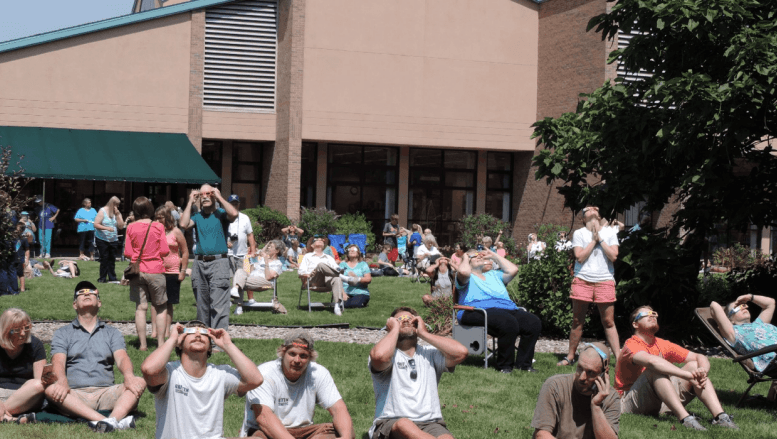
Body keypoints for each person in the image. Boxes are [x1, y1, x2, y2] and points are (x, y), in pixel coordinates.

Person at [615, 305, 737, 430]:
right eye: (646, 314)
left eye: (654, 313)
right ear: (635, 324)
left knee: (694, 366)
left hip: (661, 399)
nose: (652, 315)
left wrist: (702, 372)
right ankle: (686, 419)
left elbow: (699, 357)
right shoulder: (631, 345)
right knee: (654, 369)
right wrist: (687, 375)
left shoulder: (661, 343)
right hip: (631, 401)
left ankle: (720, 417)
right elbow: (652, 362)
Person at [46, 281, 145, 432]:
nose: (86, 293)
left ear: (99, 303)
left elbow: (122, 358)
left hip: (106, 393)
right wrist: (61, 381)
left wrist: (129, 376)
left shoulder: (112, 333)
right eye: (81, 293)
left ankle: (110, 420)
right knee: (50, 389)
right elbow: (58, 360)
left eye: (91, 292)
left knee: (139, 381)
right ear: (75, 304)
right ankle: (108, 421)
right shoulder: (63, 333)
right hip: (74, 394)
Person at [141, 320, 264, 439]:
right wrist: (172, 340)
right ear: (180, 344)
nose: (198, 335)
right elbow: (148, 369)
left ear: (210, 347)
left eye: (204, 333)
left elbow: (255, 379)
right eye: (191, 332)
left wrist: (228, 345)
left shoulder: (220, 374)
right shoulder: (170, 372)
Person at [368, 307, 468, 439]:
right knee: (404, 425)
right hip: (392, 422)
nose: (404, 321)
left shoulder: (430, 353)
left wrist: (424, 334)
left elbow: (461, 353)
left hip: (431, 423)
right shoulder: (388, 354)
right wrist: (394, 330)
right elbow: (379, 357)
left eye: (409, 319)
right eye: (399, 320)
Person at [240, 330, 354, 438]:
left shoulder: (318, 373)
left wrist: (346, 437)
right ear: (283, 353)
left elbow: (338, 409)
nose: (297, 360)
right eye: (292, 354)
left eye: (303, 356)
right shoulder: (264, 374)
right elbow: (264, 418)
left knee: (340, 431)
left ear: (310, 357)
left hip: (304, 431)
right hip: (267, 432)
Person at [457, 248, 542, 373]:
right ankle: (505, 366)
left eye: (480, 255)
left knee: (533, 322)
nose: (479, 257)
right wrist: (465, 256)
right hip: (475, 310)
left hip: (506, 309)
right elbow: (464, 272)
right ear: (467, 261)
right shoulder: (466, 278)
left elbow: (514, 269)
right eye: (474, 256)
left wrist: (494, 256)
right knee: (507, 322)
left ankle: (524, 365)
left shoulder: (494, 275)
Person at [558, 206, 620, 367]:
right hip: (582, 280)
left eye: (595, 210)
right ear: (583, 219)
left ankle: (620, 360)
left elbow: (613, 256)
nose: (592, 211)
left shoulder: (610, 232)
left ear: (599, 217)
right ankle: (570, 357)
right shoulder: (579, 233)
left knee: (608, 321)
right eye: (587, 211)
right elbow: (579, 257)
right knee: (577, 321)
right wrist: (593, 240)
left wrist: (600, 239)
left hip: (605, 280)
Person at [179, 184, 238, 329]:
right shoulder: (197, 217)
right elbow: (183, 223)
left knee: (219, 306)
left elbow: (234, 213)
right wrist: (190, 201)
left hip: (219, 262)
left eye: (208, 193)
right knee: (202, 306)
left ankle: (218, 342)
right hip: (199, 264)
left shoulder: (221, 214)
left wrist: (219, 196)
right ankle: (204, 341)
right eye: (202, 194)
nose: (205, 197)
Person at [531, 342, 619, 439]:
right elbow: (541, 435)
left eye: (590, 372)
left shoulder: (611, 397)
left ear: (604, 373)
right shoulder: (555, 386)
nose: (582, 377)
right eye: (580, 368)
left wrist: (596, 406)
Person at [125, 197, 170, 351]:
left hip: (137, 271)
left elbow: (127, 252)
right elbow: (165, 251)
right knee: (160, 307)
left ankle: (143, 345)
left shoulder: (130, 227)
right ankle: (161, 344)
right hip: (156, 269)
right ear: (150, 209)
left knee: (141, 308)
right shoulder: (158, 226)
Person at [0, 308, 48, 423]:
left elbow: (40, 382)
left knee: (38, 385)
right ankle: (10, 419)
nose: (23, 334)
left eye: (26, 328)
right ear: (6, 330)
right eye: (17, 330)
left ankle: (3, 415)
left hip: (24, 396)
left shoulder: (35, 345)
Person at [710, 294, 777, 375]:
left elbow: (770, 303)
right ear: (730, 320)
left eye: (744, 305)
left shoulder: (760, 323)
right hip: (773, 361)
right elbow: (714, 305)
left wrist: (749, 297)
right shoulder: (733, 332)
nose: (743, 307)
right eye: (737, 308)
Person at [155, 206, 188, 340]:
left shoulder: (176, 232)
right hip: (157, 271)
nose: (157, 220)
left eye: (160, 217)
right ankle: (158, 331)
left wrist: (183, 271)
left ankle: (167, 331)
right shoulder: (156, 231)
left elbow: (185, 251)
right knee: (158, 303)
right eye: (156, 217)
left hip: (173, 271)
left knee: (169, 303)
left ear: (167, 217)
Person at [231, 240, 285, 315]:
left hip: (265, 283)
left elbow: (268, 277)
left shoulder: (278, 264)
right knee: (240, 271)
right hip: (252, 278)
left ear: (277, 251)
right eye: (268, 246)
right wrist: (269, 243)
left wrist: (266, 262)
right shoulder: (262, 259)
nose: (268, 248)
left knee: (240, 280)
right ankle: (235, 289)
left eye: (271, 247)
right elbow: (261, 252)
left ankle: (237, 304)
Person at [299, 235, 348, 316]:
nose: (320, 240)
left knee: (337, 279)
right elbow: (300, 271)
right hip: (314, 280)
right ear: (312, 245)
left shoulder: (329, 257)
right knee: (321, 265)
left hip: (328, 281)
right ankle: (344, 277)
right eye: (316, 240)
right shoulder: (307, 256)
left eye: (321, 240)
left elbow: (336, 268)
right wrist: (307, 275)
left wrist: (337, 274)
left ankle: (336, 306)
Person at [94, 196, 125, 284]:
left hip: (113, 239)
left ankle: (112, 278)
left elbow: (121, 226)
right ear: (113, 204)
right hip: (102, 239)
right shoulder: (102, 211)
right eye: (117, 205)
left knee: (112, 259)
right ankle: (102, 278)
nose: (118, 207)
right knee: (104, 259)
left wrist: (118, 215)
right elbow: (96, 224)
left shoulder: (116, 213)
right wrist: (106, 228)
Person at [226, 194, 257, 275]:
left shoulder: (245, 218)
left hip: (242, 255)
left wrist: (253, 251)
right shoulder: (223, 217)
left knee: (241, 278)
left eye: (236, 204)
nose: (234, 206)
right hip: (227, 254)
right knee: (228, 279)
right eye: (232, 204)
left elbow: (250, 235)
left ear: (239, 205)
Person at [339, 243, 372, 309]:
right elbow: (337, 279)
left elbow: (368, 279)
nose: (351, 250)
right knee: (343, 305)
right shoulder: (342, 264)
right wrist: (343, 294)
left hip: (360, 292)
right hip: (346, 292)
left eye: (354, 249)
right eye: (349, 249)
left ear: (358, 253)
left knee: (355, 304)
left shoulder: (363, 264)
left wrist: (356, 278)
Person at [13, 222, 29, 293]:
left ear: (22, 230)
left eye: (18, 229)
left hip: (20, 259)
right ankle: (14, 287)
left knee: (20, 274)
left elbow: (27, 249)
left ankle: (22, 288)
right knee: (13, 273)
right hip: (12, 258)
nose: (16, 230)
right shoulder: (11, 238)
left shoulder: (24, 239)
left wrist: (27, 259)